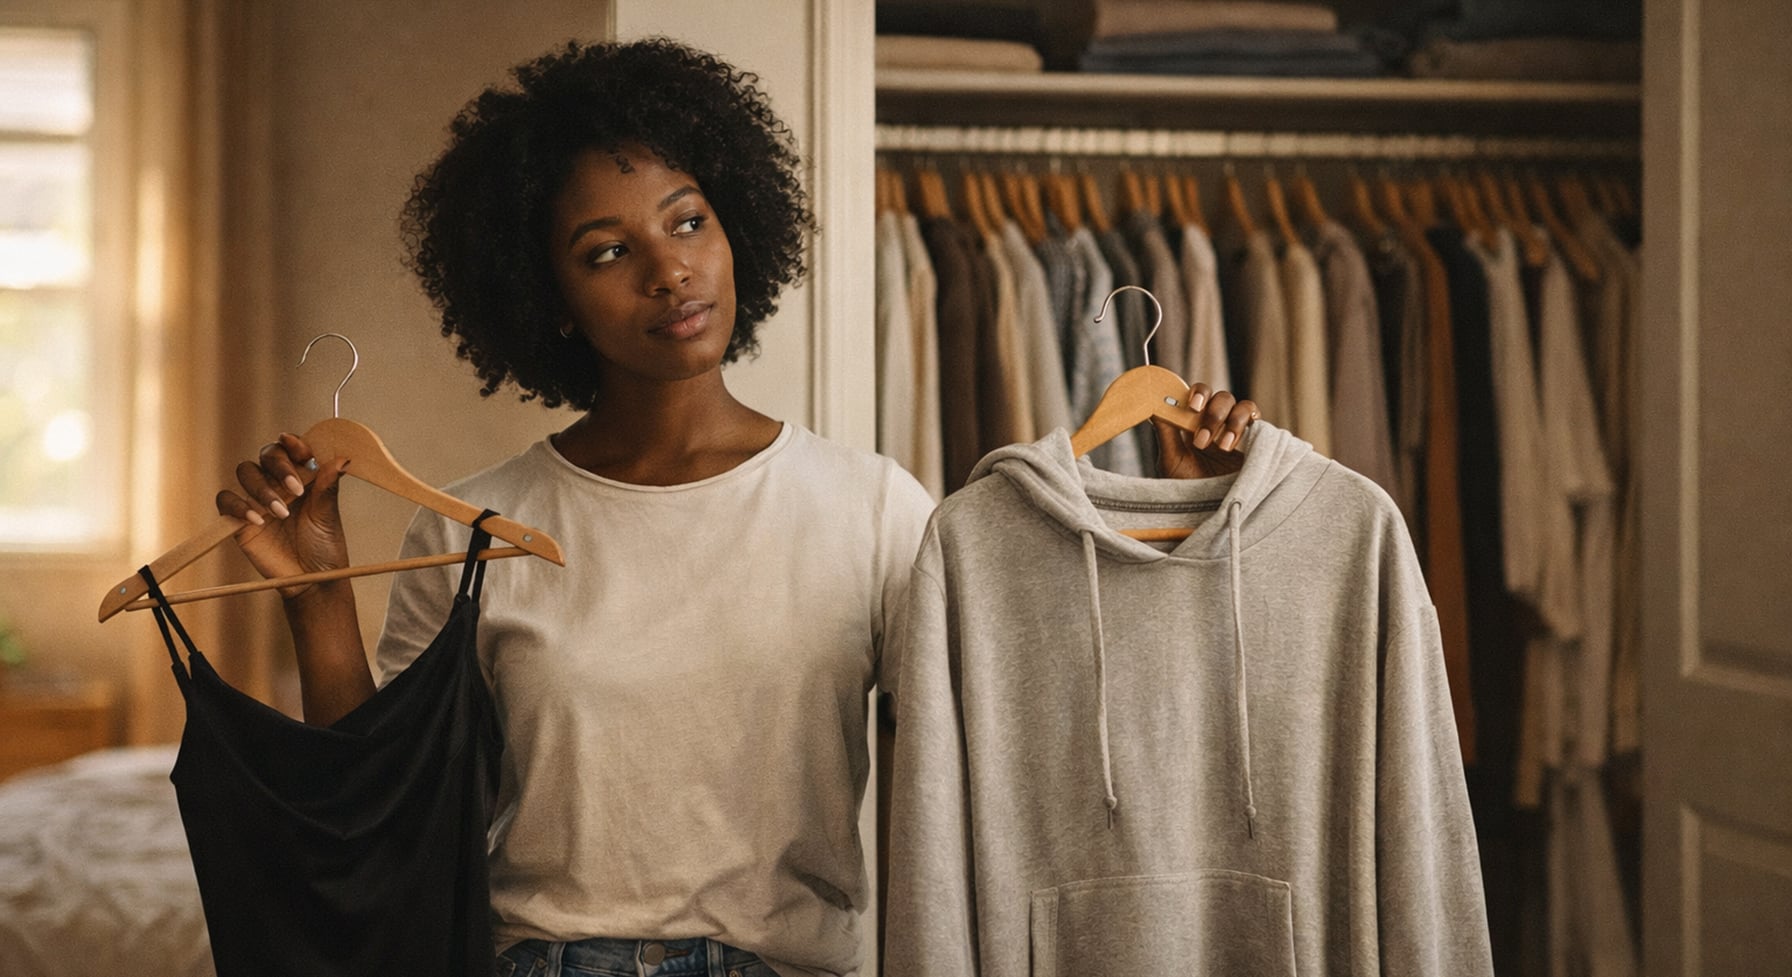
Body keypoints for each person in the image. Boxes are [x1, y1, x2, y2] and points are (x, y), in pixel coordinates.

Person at [215, 37, 1260, 977]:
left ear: (734, 226)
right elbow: (380, 814)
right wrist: (315, 588)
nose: (670, 268)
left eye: (687, 220)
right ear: (547, 298)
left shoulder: (870, 508)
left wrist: (1180, 519)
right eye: (606, 251)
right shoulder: (472, 526)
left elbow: (1035, 737)